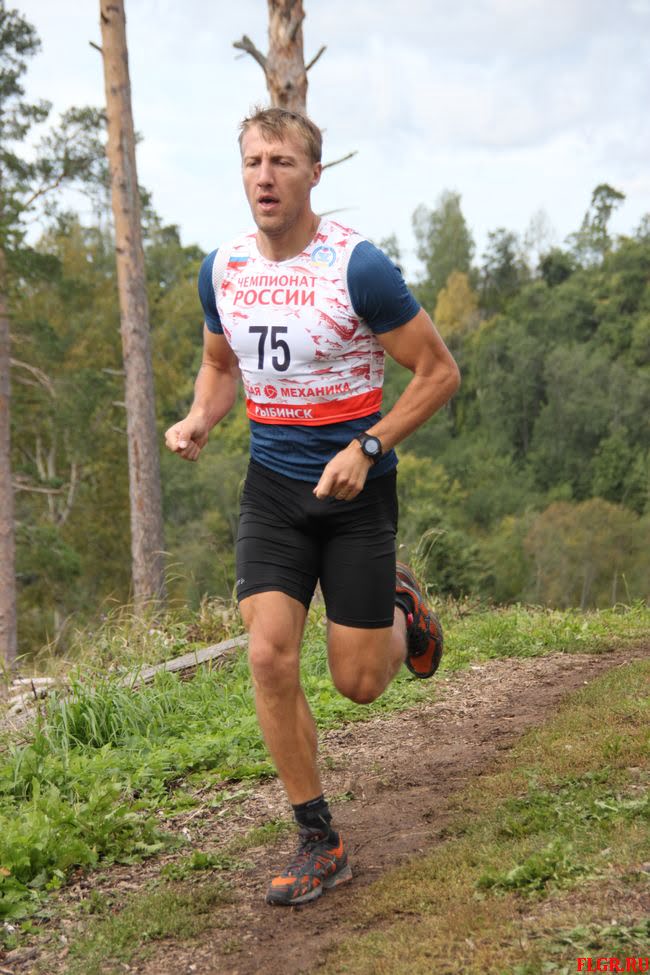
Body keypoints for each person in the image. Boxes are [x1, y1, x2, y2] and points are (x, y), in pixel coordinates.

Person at [165, 106, 460, 907]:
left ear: (314, 174)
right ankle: (317, 837)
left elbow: (438, 372)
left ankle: (400, 607)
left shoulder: (358, 267)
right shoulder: (221, 269)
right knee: (268, 655)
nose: (265, 176)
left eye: (283, 162)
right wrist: (200, 417)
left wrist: (367, 446)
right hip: (272, 489)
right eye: (253, 162)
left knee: (359, 681)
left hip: (356, 491)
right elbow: (220, 366)